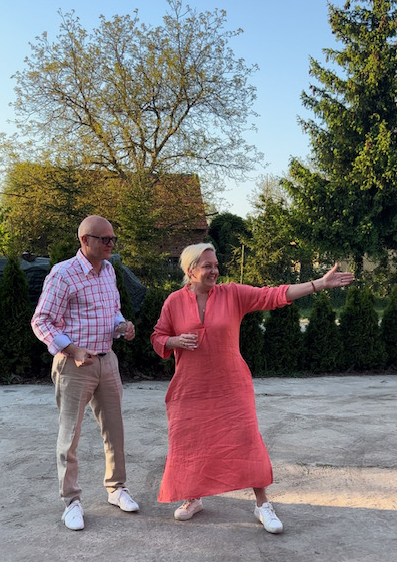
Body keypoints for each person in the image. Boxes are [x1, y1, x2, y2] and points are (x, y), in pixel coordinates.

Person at [150, 243, 354, 533]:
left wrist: (318, 284)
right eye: (208, 266)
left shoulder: (232, 294)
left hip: (231, 386)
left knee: (246, 441)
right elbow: (158, 336)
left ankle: (262, 503)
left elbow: (274, 295)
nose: (215, 271)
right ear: (190, 270)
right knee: (190, 441)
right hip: (191, 388)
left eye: (216, 265)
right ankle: (193, 498)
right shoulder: (173, 302)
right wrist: (174, 341)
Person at [31, 215, 139, 531]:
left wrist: (122, 326)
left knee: (115, 431)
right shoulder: (62, 274)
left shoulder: (109, 271)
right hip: (74, 365)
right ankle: (71, 502)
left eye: (113, 239)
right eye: (105, 239)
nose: (110, 244)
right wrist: (73, 350)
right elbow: (41, 321)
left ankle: (116, 489)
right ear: (85, 240)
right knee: (70, 437)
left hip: (107, 361)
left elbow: (112, 311)